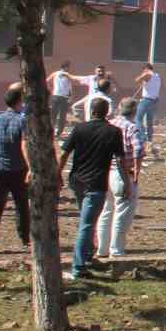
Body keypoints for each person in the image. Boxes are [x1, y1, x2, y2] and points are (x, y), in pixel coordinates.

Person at [56, 97, 128, 280]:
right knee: (86, 225)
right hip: (96, 183)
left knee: (87, 220)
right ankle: (78, 267)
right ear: (107, 112)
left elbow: (64, 153)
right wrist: (126, 182)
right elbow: (120, 160)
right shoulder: (113, 132)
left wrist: (57, 173)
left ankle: (87, 255)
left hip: (77, 181)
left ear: (92, 111)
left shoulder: (80, 128)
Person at [97, 97, 144, 260]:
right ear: (134, 111)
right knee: (122, 213)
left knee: (106, 211)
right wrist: (137, 170)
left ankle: (102, 249)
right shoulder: (132, 127)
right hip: (123, 173)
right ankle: (116, 250)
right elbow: (138, 149)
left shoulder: (109, 124)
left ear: (119, 108)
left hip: (106, 172)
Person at [0, 84, 30, 247]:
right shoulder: (22, 120)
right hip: (17, 170)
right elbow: (24, 145)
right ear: (19, 101)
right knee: (22, 205)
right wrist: (30, 167)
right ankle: (25, 238)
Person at [134, 63, 162, 154]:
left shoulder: (148, 74)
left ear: (146, 69)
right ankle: (149, 139)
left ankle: (142, 137)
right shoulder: (157, 76)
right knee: (149, 122)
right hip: (154, 101)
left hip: (146, 100)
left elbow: (137, 80)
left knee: (137, 119)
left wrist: (142, 76)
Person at [47, 60, 75, 137]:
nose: (69, 68)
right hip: (58, 96)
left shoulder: (66, 75)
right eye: (68, 67)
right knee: (57, 115)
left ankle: (58, 132)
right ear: (65, 67)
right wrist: (51, 89)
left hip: (62, 97)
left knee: (60, 115)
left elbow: (70, 86)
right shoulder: (56, 73)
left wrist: (71, 96)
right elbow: (47, 81)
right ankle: (54, 132)